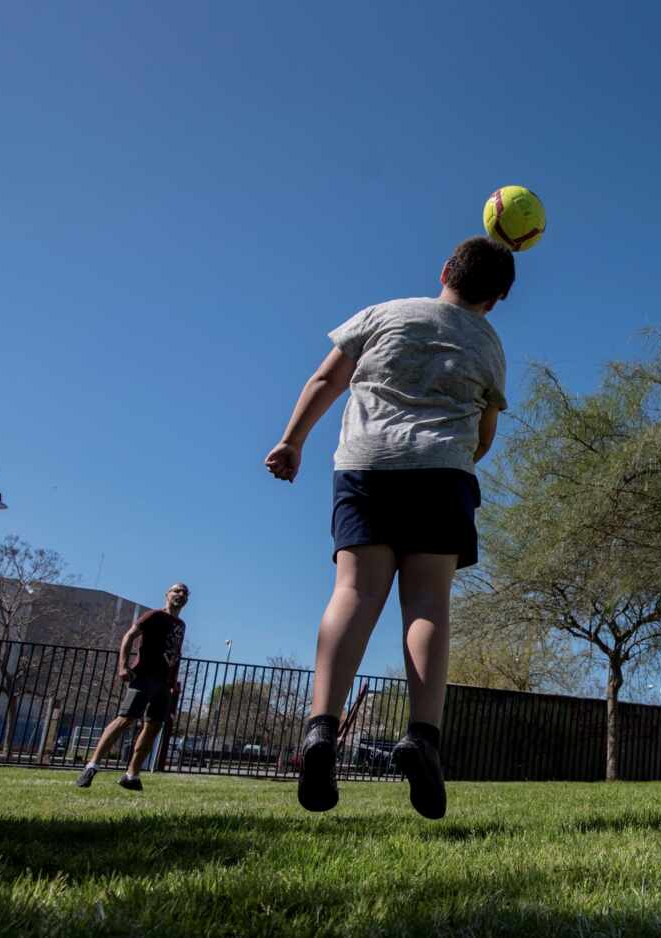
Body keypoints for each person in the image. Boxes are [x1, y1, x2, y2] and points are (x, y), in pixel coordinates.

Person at [265, 237, 514, 820]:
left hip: (366, 465)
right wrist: (459, 456)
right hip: (442, 474)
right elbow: (484, 432)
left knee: (352, 592)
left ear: (445, 270)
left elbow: (327, 378)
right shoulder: (488, 342)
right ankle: (423, 737)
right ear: (497, 300)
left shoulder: (384, 315)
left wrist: (292, 441)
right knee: (427, 601)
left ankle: (320, 730)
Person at [74, 583, 188, 791]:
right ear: (167, 594)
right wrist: (123, 666)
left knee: (153, 726)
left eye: (184, 593)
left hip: (164, 684)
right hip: (144, 676)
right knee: (125, 718)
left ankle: (132, 775)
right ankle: (92, 766)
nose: (181, 594)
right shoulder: (153, 616)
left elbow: (174, 654)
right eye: (176, 591)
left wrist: (173, 683)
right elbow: (129, 636)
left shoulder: (181, 624)